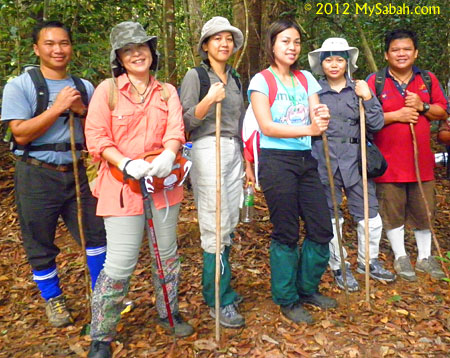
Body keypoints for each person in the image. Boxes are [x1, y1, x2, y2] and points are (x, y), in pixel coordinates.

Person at [84, 21, 193, 358]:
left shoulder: (167, 91)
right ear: (119, 56)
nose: (136, 53)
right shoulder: (108, 90)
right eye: (128, 49)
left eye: (141, 47)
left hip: (162, 186)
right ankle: (101, 333)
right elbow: (97, 137)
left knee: (166, 254)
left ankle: (168, 312)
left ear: (151, 51)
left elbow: (176, 128)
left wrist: (170, 152)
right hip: (121, 187)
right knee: (120, 262)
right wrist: (125, 162)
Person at [0, 21, 107, 328]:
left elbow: (97, 130)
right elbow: (19, 133)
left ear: (71, 47)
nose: (58, 49)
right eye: (49, 44)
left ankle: (103, 291)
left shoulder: (85, 86)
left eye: (64, 43)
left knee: (95, 234)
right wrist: (58, 107)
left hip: (75, 172)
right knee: (39, 240)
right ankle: (53, 298)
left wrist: (83, 111)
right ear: (37, 49)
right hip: (36, 174)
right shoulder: (19, 86)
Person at [248, 19, 337, 325]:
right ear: (272, 44)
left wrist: (322, 116)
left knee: (321, 227)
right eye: (285, 41)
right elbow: (267, 126)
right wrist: (310, 127)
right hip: (276, 161)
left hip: (305, 160)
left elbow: (316, 116)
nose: (292, 47)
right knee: (286, 231)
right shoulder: (261, 81)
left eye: (296, 42)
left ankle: (306, 288)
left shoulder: (307, 79)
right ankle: (287, 298)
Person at [180, 16, 252, 328]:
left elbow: (242, 123)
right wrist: (209, 99)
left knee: (229, 222)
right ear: (206, 45)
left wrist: (248, 161)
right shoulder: (196, 76)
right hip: (208, 149)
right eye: (216, 39)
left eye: (228, 39)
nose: (224, 44)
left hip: (233, 150)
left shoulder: (235, 77)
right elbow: (183, 123)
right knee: (214, 225)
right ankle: (217, 298)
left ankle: (224, 287)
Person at [308, 38, 396, 292]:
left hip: (357, 160)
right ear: (321, 64)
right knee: (332, 217)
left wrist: (367, 98)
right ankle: (339, 266)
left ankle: (368, 262)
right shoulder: (314, 92)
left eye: (339, 59)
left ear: (347, 62)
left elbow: (377, 124)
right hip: (324, 159)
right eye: (328, 59)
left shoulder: (359, 88)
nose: (334, 65)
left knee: (370, 215)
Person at [367, 29, 449, 281]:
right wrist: (395, 116)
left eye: (406, 49)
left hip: (421, 162)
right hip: (388, 162)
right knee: (392, 209)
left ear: (415, 53)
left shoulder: (427, 79)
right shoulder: (375, 81)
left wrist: (422, 106)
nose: (401, 54)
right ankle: (401, 256)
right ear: (386, 54)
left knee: (424, 209)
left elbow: (442, 112)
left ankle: (425, 257)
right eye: (395, 49)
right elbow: (366, 119)